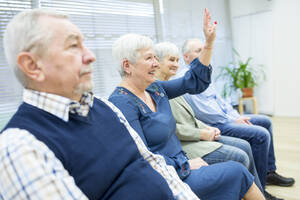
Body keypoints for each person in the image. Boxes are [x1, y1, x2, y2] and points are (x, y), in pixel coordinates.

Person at [0, 9, 202, 200]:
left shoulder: (105, 108)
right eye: (73, 46)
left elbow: (153, 164)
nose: (90, 56)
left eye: (84, 45)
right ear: (32, 66)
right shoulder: (20, 148)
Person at [109, 9, 264, 200]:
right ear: (127, 66)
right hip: (165, 179)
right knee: (238, 171)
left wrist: (208, 43)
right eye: (149, 58)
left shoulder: (155, 88)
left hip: (182, 165)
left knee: (237, 172)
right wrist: (184, 165)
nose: (156, 64)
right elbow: (139, 158)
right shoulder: (121, 103)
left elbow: (193, 82)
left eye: (156, 58)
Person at [180, 38, 295, 200]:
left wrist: (236, 116)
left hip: (226, 118)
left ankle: (269, 172)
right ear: (186, 57)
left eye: (204, 49)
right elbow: (207, 113)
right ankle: (260, 188)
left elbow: (220, 101)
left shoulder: (204, 75)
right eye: (198, 51)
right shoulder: (186, 79)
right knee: (260, 135)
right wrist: (232, 120)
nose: (203, 53)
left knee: (265, 121)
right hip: (216, 124)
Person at [154, 41, 263, 192]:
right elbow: (170, 128)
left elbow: (190, 116)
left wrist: (207, 128)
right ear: (156, 62)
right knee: (241, 155)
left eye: (177, 60)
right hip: (184, 144)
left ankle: (260, 191)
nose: (176, 64)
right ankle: (250, 193)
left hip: (200, 133)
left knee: (245, 145)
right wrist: (202, 133)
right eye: (171, 60)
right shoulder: (157, 90)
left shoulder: (170, 85)